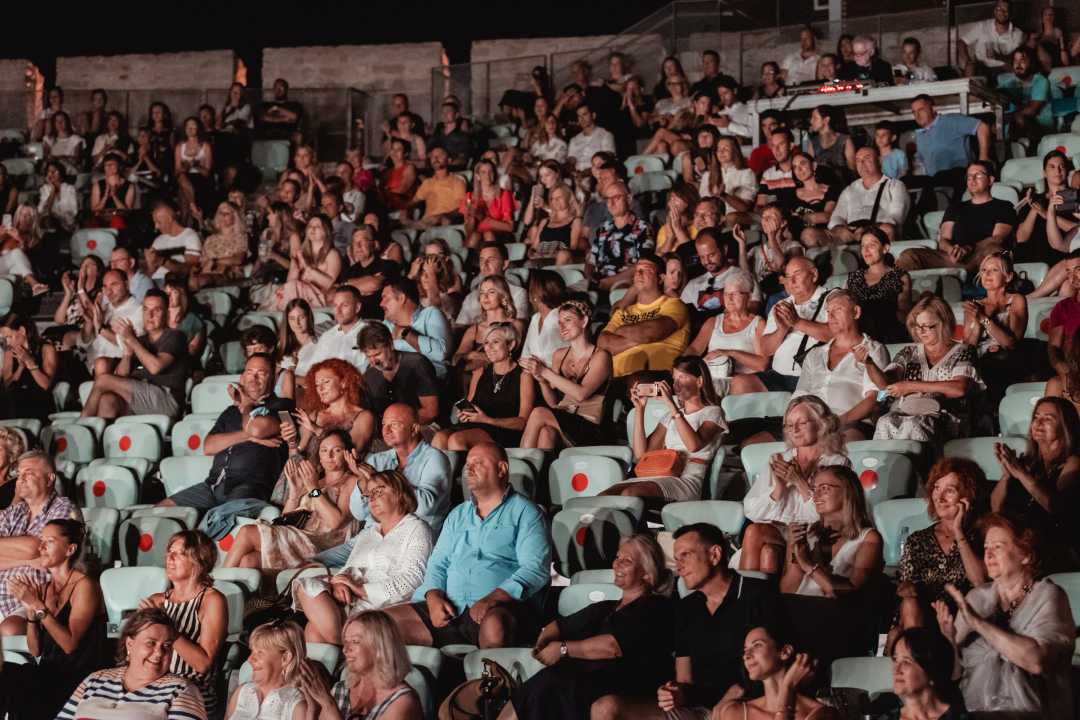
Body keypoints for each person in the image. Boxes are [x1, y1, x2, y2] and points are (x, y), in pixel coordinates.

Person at [597, 523, 796, 719]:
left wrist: (734, 698)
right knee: (605, 707)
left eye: (686, 555)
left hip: (751, 706)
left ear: (715, 555)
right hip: (700, 709)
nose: (679, 566)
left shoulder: (759, 594)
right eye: (676, 559)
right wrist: (676, 693)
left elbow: (790, 664)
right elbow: (685, 680)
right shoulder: (686, 607)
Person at [383, 443, 548, 650]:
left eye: (477, 463)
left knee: (494, 624)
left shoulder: (527, 512)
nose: (468, 470)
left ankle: (492, 671)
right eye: (467, 464)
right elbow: (439, 562)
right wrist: (433, 597)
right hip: (453, 609)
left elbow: (535, 568)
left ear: (502, 469)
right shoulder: (457, 514)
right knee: (382, 624)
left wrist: (493, 598)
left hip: (505, 608)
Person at [500, 535, 674, 720]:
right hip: (583, 686)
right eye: (618, 557)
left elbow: (613, 647)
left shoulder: (655, 606)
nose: (617, 564)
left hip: (620, 690)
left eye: (627, 561)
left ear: (647, 572)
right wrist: (542, 645)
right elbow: (557, 626)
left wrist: (561, 649)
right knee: (546, 682)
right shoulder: (604, 607)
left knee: (549, 682)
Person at [934, 512, 1074, 717]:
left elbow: (1038, 662)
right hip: (974, 711)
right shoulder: (976, 598)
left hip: (1031, 713)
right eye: (986, 548)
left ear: (1026, 555)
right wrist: (948, 639)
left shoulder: (1049, 596)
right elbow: (954, 674)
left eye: (998, 547)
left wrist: (980, 624)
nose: (988, 555)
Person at [295, 470, 432, 644]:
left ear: (399, 493)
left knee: (314, 629)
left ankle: (343, 643)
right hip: (351, 601)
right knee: (306, 587)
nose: (371, 498)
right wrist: (338, 583)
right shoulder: (368, 534)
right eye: (368, 493)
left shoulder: (417, 528)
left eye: (378, 490)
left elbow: (412, 580)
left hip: (386, 606)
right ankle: (344, 642)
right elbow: (348, 568)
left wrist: (361, 589)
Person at [158, 354, 292, 514]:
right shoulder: (231, 412)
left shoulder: (282, 406)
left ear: (274, 378)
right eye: (249, 372)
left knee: (222, 518)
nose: (253, 378)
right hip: (213, 485)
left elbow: (256, 429)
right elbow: (208, 446)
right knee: (161, 511)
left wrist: (246, 405)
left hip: (250, 486)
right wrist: (249, 436)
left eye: (261, 373)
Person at [1, 520, 106, 720]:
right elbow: (35, 651)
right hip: (49, 677)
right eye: (41, 540)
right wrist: (31, 612)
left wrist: (37, 605)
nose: (41, 547)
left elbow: (70, 644)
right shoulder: (44, 589)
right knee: (7, 672)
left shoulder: (86, 585)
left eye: (49, 541)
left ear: (70, 549)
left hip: (80, 680)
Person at [888, 458, 989, 652]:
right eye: (936, 488)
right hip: (923, 615)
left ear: (968, 496)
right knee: (909, 607)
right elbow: (904, 585)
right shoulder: (917, 540)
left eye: (949, 490)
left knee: (897, 633)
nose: (939, 498)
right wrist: (906, 587)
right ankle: (922, 661)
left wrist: (958, 530)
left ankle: (920, 664)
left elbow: (980, 581)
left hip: (964, 618)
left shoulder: (983, 537)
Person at [740, 397, 851, 573]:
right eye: (790, 425)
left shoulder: (837, 462)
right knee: (768, 551)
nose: (795, 430)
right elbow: (751, 511)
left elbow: (832, 515)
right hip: (781, 533)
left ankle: (744, 589)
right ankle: (757, 590)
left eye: (802, 423)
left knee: (756, 534)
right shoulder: (779, 459)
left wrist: (800, 483)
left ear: (821, 423)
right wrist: (779, 490)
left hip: (818, 535)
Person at [227, 430, 360, 570]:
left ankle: (215, 582)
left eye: (336, 450)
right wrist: (295, 492)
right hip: (297, 539)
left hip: (322, 546)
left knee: (247, 532)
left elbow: (335, 522)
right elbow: (285, 522)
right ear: (319, 455)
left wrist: (313, 489)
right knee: (249, 561)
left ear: (347, 453)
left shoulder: (351, 481)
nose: (329, 455)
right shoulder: (314, 481)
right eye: (324, 450)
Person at [601, 357, 726, 505]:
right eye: (674, 378)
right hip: (660, 473)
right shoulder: (670, 415)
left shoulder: (713, 412)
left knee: (630, 493)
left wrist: (672, 406)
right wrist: (639, 409)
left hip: (686, 480)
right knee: (604, 496)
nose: (676, 384)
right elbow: (641, 453)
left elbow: (693, 446)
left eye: (683, 377)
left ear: (699, 381)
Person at [867, 297, 984, 451]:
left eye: (927, 326)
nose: (921, 332)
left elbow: (959, 388)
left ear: (943, 323)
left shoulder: (964, 351)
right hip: (905, 411)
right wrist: (869, 363)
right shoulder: (908, 353)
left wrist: (911, 386)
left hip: (944, 416)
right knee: (885, 422)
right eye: (917, 326)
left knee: (916, 424)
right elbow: (885, 384)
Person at [55, 608, 207, 720]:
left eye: (167, 645)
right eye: (151, 643)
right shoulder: (95, 679)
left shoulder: (181, 689)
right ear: (130, 644)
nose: (159, 653)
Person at [138, 530, 227, 714]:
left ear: (199, 562)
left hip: (193, 690)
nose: (170, 557)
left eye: (180, 553)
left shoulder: (212, 600)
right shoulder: (156, 600)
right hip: (154, 684)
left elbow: (204, 664)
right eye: (170, 551)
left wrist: (168, 628)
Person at [991, 397, 1080, 568]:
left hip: (1055, 545)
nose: (1038, 423)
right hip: (1019, 543)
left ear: (1065, 426)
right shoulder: (1025, 463)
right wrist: (1006, 477)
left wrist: (1021, 474)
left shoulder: (1073, 462)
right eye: (1036, 417)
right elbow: (995, 510)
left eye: (1048, 419)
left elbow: (1056, 506)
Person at [791, 291, 889, 442]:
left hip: (852, 424)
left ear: (856, 312)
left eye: (837, 309)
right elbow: (799, 395)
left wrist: (836, 422)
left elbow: (875, 400)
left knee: (829, 446)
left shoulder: (874, 350)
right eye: (828, 311)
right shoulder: (814, 354)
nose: (831, 316)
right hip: (809, 424)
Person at [0, 452, 81, 635]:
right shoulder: (13, 512)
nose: (20, 479)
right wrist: (27, 560)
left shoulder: (64, 507)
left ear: (50, 479)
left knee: (9, 629)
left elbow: (35, 547)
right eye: (19, 474)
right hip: (2, 599)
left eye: (28, 473)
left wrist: (28, 552)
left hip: (36, 601)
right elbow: (32, 553)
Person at [79, 290, 188, 420]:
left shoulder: (175, 337)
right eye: (145, 309)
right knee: (107, 400)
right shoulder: (140, 341)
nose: (149, 315)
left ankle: (81, 426)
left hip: (166, 400)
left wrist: (131, 339)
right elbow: (118, 377)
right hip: (141, 400)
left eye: (156, 310)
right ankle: (100, 433)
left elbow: (155, 367)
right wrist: (127, 353)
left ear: (166, 314)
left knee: (103, 380)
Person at [521, 300, 615, 450]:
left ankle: (522, 462)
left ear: (584, 321)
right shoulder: (559, 355)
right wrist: (542, 381)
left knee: (538, 413)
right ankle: (542, 466)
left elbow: (581, 394)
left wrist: (544, 371)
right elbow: (554, 403)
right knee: (547, 432)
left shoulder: (601, 356)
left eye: (568, 320)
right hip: (568, 421)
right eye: (559, 322)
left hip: (592, 428)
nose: (562, 326)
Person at [780, 465, 884, 596]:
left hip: (833, 608)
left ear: (847, 491)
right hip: (798, 606)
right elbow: (785, 591)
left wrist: (807, 564)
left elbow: (853, 596)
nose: (815, 495)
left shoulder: (869, 538)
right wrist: (797, 561)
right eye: (814, 489)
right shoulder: (803, 532)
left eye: (824, 488)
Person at [299, 611, 423, 720]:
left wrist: (328, 705)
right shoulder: (340, 691)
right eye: (345, 641)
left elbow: (329, 706)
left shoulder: (403, 702)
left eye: (355, 641)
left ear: (379, 647)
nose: (345, 649)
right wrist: (313, 709)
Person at [735, 256, 832, 395]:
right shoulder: (781, 305)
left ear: (814, 275)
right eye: (788, 276)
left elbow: (837, 334)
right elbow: (765, 350)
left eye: (797, 274)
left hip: (813, 377)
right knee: (740, 383)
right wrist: (781, 330)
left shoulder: (832, 298)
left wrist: (797, 322)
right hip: (779, 376)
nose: (791, 281)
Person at [898, 161, 1016, 274]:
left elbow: (998, 238)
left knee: (994, 250)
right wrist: (952, 251)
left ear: (990, 180)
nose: (973, 179)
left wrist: (969, 248)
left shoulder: (1004, 206)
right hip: (954, 259)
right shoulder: (954, 208)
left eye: (978, 175)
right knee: (909, 255)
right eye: (969, 176)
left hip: (981, 257)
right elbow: (944, 239)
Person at [438, 324, 535, 452]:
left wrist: (489, 420)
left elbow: (523, 422)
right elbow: (471, 405)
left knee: (456, 440)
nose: (489, 347)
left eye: (495, 342)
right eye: (486, 343)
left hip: (503, 432)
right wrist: (464, 415)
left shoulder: (523, 375)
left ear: (510, 345)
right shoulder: (479, 372)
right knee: (439, 438)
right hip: (474, 427)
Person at [714, 625, 838, 720]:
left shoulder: (822, 714)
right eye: (745, 650)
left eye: (757, 645)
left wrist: (788, 688)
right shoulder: (735, 711)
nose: (746, 656)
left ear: (785, 652)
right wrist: (788, 688)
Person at [598, 255, 690, 378]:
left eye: (646, 270)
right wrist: (640, 337)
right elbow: (603, 344)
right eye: (637, 270)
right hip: (617, 380)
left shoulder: (675, 305)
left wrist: (620, 330)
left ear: (661, 278)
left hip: (655, 379)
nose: (639, 273)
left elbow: (649, 333)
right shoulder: (623, 312)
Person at [686, 268, 767, 397]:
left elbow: (761, 365)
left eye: (734, 294)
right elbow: (694, 349)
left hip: (743, 384)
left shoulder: (758, 324)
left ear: (749, 296)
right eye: (726, 294)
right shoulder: (713, 322)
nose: (729, 299)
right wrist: (682, 368)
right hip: (713, 381)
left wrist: (731, 352)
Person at [962, 252, 1027, 411]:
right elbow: (968, 349)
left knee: (982, 373)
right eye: (984, 270)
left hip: (1004, 363)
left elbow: (1012, 344)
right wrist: (978, 326)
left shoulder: (1016, 300)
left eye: (994, 270)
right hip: (976, 362)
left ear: (1008, 277)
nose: (987, 274)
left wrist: (984, 318)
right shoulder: (975, 305)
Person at [279, 358, 376, 458]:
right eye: (317, 384)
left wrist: (318, 430)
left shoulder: (364, 417)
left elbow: (349, 454)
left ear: (343, 382)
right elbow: (297, 458)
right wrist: (292, 442)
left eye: (326, 382)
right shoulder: (314, 417)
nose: (320, 388)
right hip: (308, 467)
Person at [908, 95, 992, 198]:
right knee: (904, 182)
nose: (917, 115)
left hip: (959, 179)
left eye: (921, 110)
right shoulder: (920, 137)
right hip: (937, 186)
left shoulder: (951, 120)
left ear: (933, 109)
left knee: (942, 177)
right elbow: (921, 164)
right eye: (914, 112)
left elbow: (982, 126)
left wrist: (983, 160)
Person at [222, 620, 306, 720]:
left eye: (260, 652)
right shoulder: (242, 691)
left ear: (285, 658)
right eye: (252, 651)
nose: (250, 659)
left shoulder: (297, 706)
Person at [358, 324, 439, 428]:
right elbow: (367, 417)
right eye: (369, 357)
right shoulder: (369, 376)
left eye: (377, 354)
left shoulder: (417, 364)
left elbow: (431, 412)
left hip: (421, 427)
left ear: (391, 345)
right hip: (386, 432)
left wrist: (397, 426)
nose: (374, 362)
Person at [828, 146, 910, 244]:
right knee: (812, 235)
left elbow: (896, 217)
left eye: (867, 159)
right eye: (858, 160)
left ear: (879, 160)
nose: (862, 164)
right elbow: (836, 217)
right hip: (851, 234)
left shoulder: (895, 186)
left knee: (888, 229)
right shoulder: (849, 190)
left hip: (878, 233)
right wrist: (839, 229)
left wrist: (869, 229)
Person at [260, 214, 341, 312]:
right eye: (310, 226)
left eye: (318, 226)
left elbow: (331, 284)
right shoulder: (302, 253)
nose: (312, 229)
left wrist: (309, 269)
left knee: (295, 286)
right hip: (299, 297)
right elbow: (290, 283)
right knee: (288, 286)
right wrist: (295, 269)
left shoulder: (332, 254)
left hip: (319, 298)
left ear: (326, 231)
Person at [847, 228, 912, 344]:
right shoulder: (854, 278)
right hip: (861, 337)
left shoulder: (899, 276)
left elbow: (905, 316)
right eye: (863, 245)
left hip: (890, 335)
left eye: (872, 245)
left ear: (885, 248)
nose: (866, 250)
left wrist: (880, 309)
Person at [75, 268, 144, 376]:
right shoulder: (104, 309)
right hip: (89, 364)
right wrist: (89, 323)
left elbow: (133, 345)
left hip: (114, 368)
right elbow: (83, 345)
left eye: (114, 285)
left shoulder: (139, 310)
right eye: (105, 286)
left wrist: (101, 328)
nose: (109, 291)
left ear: (127, 284)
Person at [1016, 151, 1078, 269]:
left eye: (1062, 166)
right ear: (1044, 172)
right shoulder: (1034, 200)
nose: (1057, 171)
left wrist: (1047, 215)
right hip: (1036, 257)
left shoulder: (1077, 198)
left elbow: (1078, 232)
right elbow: (1021, 238)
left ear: (1067, 170)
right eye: (1052, 167)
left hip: (1067, 255)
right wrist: (1035, 208)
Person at [453, 276, 526, 376]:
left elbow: (507, 358)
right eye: (482, 293)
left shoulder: (515, 325)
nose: (485, 296)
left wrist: (471, 366)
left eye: (491, 292)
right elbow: (455, 360)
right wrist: (469, 355)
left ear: (503, 297)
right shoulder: (474, 330)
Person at [381, 278, 451, 381]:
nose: (381, 304)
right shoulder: (386, 325)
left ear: (401, 298)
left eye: (385, 298)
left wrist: (405, 334)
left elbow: (440, 354)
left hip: (430, 380)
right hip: (395, 381)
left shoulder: (430, 315)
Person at [0, 313, 57, 424]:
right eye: (4, 338)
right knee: (9, 396)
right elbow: (7, 385)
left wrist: (28, 361)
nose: (7, 342)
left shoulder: (46, 348)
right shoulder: (8, 351)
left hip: (39, 399)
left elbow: (45, 385)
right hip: (14, 398)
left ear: (22, 330)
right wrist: (20, 367)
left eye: (9, 337)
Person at [457, 243, 531, 327]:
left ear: (504, 264)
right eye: (482, 260)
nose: (485, 264)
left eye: (490, 259)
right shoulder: (470, 297)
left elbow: (518, 326)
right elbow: (459, 328)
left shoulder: (518, 293)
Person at [341, 225, 399, 319]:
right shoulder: (350, 270)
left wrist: (345, 285)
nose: (358, 246)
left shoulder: (389, 265)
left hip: (374, 320)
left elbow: (375, 284)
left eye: (363, 241)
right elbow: (331, 294)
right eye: (355, 242)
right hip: (349, 320)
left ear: (375, 245)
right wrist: (364, 287)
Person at [189, 202, 250, 292]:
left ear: (235, 217)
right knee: (190, 280)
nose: (223, 216)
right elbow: (203, 261)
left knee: (198, 281)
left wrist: (215, 261)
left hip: (229, 275)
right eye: (221, 213)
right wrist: (196, 269)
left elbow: (239, 259)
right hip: (208, 273)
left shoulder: (240, 237)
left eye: (227, 213)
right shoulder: (210, 239)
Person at [999, 46, 1053, 145]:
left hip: (1043, 127)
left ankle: (1037, 148)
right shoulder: (1010, 83)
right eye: (1015, 61)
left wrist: (1010, 116)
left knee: (1020, 118)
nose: (1018, 65)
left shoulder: (1041, 81)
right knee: (994, 125)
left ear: (1032, 64)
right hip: (1018, 127)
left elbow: (1032, 109)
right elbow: (996, 94)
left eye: (1022, 61)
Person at [785, 152, 840, 248]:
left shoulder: (830, 190)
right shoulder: (791, 194)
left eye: (803, 164)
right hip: (797, 237)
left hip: (823, 236)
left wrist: (799, 216)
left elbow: (828, 216)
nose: (798, 169)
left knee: (808, 234)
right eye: (794, 167)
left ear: (814, 166)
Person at [309, 285, 369, 374]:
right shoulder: (327, 336)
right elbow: (315, 369)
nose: (338, 310)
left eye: (344, 305)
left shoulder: (369, 334)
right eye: (335, 305)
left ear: (357, 307)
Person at [959, 0, 1025, 79]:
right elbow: (961, 43)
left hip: (1003, 68)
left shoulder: (1017, 33)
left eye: (1006, 10)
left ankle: (1007, 86)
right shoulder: (983, 26)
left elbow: (1015, 57)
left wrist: (999, 57)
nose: (1002, 13)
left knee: (1014, 68)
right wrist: (968, 61)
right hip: (981, 66)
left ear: (1011, 13)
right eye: (999, 9)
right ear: (995, 11)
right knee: (970, 67)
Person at [462, 159, 518, 249]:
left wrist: (484, 218)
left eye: (490, 172)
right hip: (478, 237)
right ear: (478, 176)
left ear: (494, 174)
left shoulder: (504, 194)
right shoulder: (469, 196)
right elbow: (468, 231)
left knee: (488, 234)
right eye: (483, 172)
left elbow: (510, 227)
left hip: (501, 237)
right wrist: (472, 217)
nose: (487, 176)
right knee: (474, 236)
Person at [526, 184, 584, 267]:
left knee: (530, 265)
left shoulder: (576, 221)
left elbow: (572, 249)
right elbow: (533, 247)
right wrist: (531, 254)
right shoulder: (544, 221)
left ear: (570, 199)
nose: (556, 200)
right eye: (553, 198)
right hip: (538, 258)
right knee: (511, 265)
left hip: (556, 261)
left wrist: (545, 256)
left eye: (560, 197)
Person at [520, 270, 568, 366]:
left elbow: (563, 360)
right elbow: (525, 355)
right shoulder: (535, 318)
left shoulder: (558, 320)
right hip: (532, 371)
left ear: (539, 293)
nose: (529, 289)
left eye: (532, 287)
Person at [146, 202, 203, 282]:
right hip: (154, 281)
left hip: (174, 282)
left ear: (169, 219)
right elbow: (149, 272)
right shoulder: (158, 240)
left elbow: (190, 270)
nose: (156, 227)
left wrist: (163, 261)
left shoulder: (190, 237)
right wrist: (151, 264)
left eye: (158, 222)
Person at [409, 148, 466, 228]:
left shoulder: (457, 182)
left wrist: (442, 216)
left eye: (440, 156)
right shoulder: (427, 182)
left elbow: (460, 209)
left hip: (447, 221)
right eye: (433, 156)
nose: (436, 158)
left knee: (445, 221)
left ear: (449, 160)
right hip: (427, 222)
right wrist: (407, 211)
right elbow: (413, 202)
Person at [277, 299, 318, 403]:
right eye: (292, 318)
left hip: (307, 398)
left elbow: (317, 380)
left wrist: (290, 378)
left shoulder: (318, 346)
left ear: (309, 317)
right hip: (281, 397)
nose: (297, 323)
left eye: (302, 317)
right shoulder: (280, 347)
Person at [174, 117, 214, 224]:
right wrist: (185, 168)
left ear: (198, 128)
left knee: (183, 190)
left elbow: (207, 172)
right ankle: (193, 208)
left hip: (200, 179)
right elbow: (176, 171)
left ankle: (186, 219)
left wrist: (196, 166)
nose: (190, 129)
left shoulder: (205, 146)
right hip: (184, 178)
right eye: (188, 126)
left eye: (193, 126)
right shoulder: (180, 147)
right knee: (182, 177)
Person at [807, 105, 856, 183]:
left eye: (815, 118)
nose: (811, 121)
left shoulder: (845, 140)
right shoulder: (813, 142)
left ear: (826, 120)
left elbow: (853, 171)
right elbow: (809, 168)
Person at [163, 277, 205, 366]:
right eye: (166, 292)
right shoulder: (159, 318)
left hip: (182, 364)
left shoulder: (191, 319)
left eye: (174, 292)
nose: (169, 295)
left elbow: (194, 349)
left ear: (181, 295)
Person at [567, 103, 616, 173]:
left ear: (593, 115)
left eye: (584, 114)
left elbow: (607, 161)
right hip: (578, 175)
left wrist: (584, 173)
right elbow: (571, 160)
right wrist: (573, 172)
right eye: (579, 116)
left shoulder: (606, 135)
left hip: (598, 175)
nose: (581, 119)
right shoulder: (574, 140)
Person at [755, 129, 796, 212]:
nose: (776, 150)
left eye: (781, 144)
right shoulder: (768, 174)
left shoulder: (801, 171)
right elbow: (759, 206)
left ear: (791, 146)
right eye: (773, 145)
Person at [89, 153, 134, 226]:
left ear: (120, 166)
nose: (109, 166)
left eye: (112, 164)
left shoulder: (128, 185)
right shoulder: (97, 186)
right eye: (106, 164)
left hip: (120, 220)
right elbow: (94, 211)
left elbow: (127, 212)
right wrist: (105, 197)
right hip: (102, 219)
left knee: (117, 221)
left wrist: (115, 197)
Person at [376, 136, 417, 212]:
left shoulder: (409, 167)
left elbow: (402, 190)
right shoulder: (388, 171)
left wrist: (387, 190)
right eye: (393, 149)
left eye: (398, 150)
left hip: (401, 202)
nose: (394, 152)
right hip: (387, 202)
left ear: (405, 154)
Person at [37, 160, 78, 233]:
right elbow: (41, 210)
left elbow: (74, 211)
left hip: (68, 224)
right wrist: (52, 190)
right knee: (48, 220)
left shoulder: (69, 189)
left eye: (55, 171)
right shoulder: (44, 189)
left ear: (61, 173)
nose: (51, 173)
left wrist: (57, 214)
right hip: (52, 223)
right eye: (49, 171)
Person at [258, 78, 303, 143]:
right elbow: (264, 118)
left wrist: (276, 108)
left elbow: (294, 116)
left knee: (298, 136)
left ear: (286, 89)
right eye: (276, 88)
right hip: (269, 134)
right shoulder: (266, 105)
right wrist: (285, 119)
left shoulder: (294, 105)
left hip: (288, 134)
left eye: (281, 88)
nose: (278, 90)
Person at [429, 102, 470, 170]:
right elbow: (429, 153)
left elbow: (462, 159)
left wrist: (445, 165)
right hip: (436, 170)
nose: (445, 114)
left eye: (449, 111)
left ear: (456, 115)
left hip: (454, 170)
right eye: (443, 112)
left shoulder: (462, 136)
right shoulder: (436, 134)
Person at [1028, 6, 1070, 72]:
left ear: (1055, 18)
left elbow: (1066, 63)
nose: (1049, 16)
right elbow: (1028, 55)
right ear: (1042, 19)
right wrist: (1031, 40)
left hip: (1058, 70)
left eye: (1052, 14)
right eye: (1046, 14)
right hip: (1043, 70)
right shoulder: (1037, 37)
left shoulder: (1061, 36)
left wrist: (1061, 40)